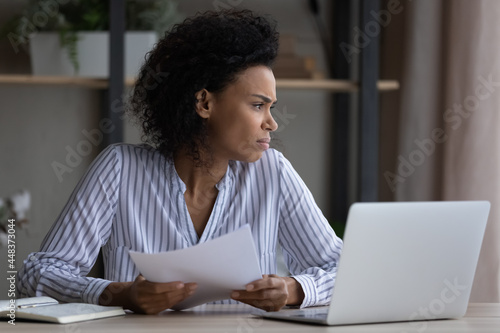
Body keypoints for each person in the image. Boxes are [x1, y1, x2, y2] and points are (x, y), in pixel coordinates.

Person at [17, 9, 343, 314]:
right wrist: (119, 294)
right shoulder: (120, 169)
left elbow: (345, 269)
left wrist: (295, 288)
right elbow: (36, 274)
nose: (271, 123)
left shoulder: (274, 173)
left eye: (271, 107)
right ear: (203, 102)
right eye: (258, 105)